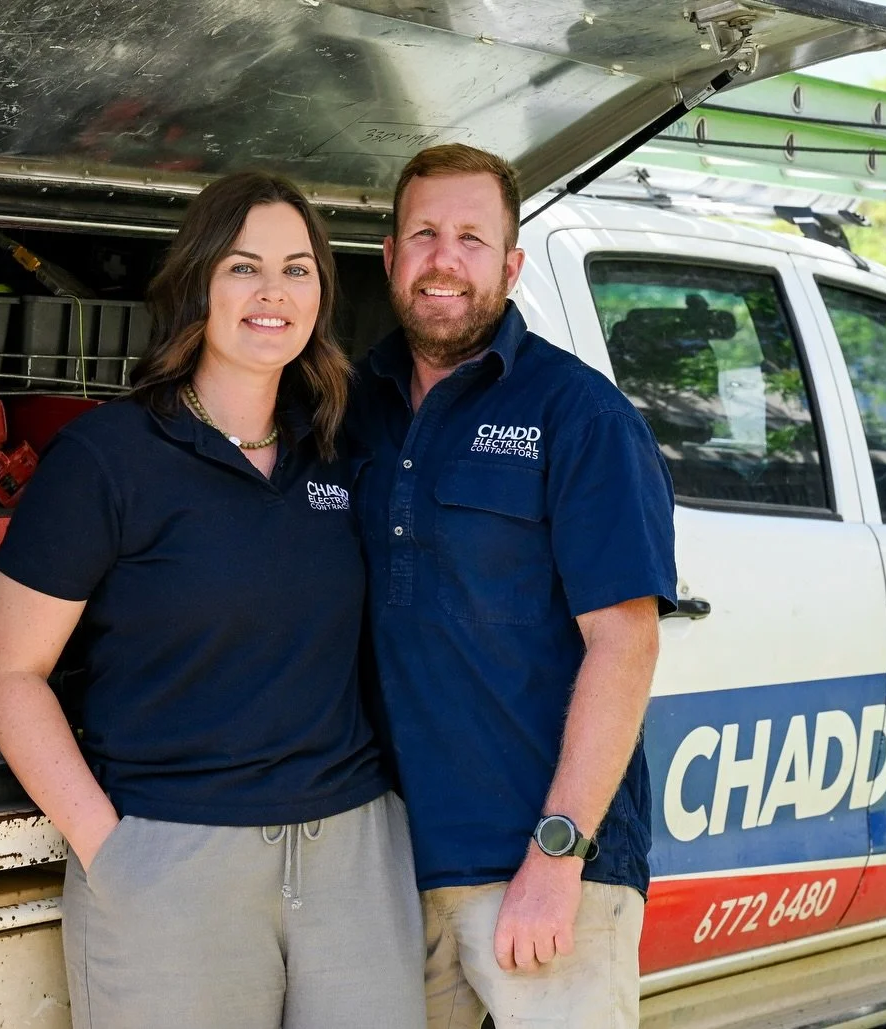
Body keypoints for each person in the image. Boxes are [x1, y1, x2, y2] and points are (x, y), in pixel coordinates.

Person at [0, 171, 424, 1029]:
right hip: (174, 860)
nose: (273, 292)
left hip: (355, 861)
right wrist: (115, 853)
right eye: (244, 267)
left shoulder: (340, 449)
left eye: (297, 269)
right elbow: (7, 669)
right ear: (197, 283)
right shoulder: (107, 459)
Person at [347, 144, 677, 1028]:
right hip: (390, 867)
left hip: (545, 871)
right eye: (424, 234)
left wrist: (558, 852)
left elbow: (626, 640)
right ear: (390, 256)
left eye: (471, 238)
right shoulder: (354, 407)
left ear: (511, 264)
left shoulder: (580, 415)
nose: (444, 259)